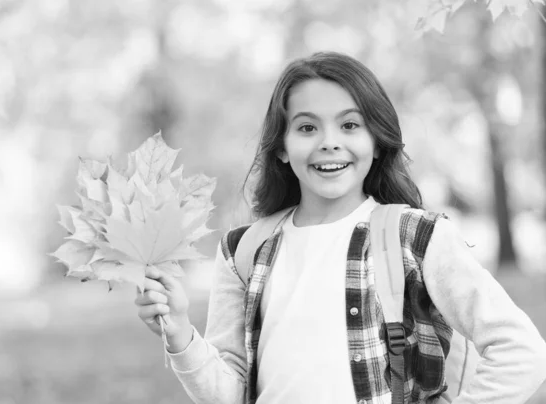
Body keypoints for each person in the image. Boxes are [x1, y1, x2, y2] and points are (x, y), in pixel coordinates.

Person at [133, 51, 546, 404]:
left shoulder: (415, 237)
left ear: (377, 140)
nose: (329, 142)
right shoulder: (244, 250)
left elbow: (522, 353)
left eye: (349, 125)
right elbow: (232, 391)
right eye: (307, 127)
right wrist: (181, 334)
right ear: (281, 146)